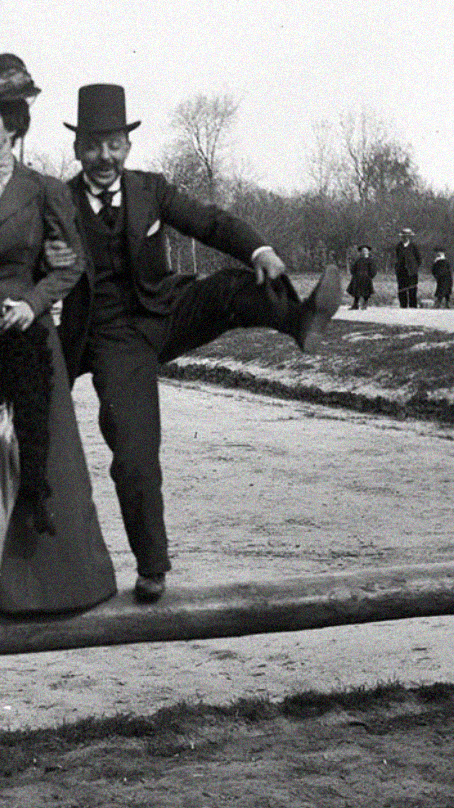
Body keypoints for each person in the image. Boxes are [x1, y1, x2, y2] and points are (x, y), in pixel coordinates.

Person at [47, 84, 341, 604]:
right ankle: (152, 566)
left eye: (114, 144)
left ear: (128, 147)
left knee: (234, 284)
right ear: (76, 150)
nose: (104, 158)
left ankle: (300, 322)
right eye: (93, 146)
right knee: (134, 448)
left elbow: (210, 223)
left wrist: (260, 248)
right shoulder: (61, 203)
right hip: (114, 338)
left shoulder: (152, 190)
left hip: (168, 310)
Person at [0, 55, 117, 615]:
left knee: (41, 452)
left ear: (12, 126)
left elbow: (71, 265)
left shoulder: (47, 191)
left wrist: (34, 304)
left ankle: (50, 586)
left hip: (27, 338)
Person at [394, 228, 421, 308]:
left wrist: (414, 267)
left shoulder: (413, 246)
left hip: (412, 272)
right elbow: (395, 258)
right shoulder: (398, 246)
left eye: (407, 236)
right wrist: (397, 267)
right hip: (401, 272)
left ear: (409, 237)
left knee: (412, 290)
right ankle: (403, 306)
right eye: (404, 236)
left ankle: (413, 306)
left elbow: (419, 259)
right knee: (402, 290)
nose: (405, 238)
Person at [346, 245, 376, 309]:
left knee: (366, 292)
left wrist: (369, 276)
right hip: (357, 278)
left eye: (365, 251)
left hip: (366, 278)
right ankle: (355, 304)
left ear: (368, 252)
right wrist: (354, 274)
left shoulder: (370, 260)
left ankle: (365, 304)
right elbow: (353, 268)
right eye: (362, 251)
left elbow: (373, 270)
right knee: (356, 292)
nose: (364, 252)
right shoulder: (358, 260)